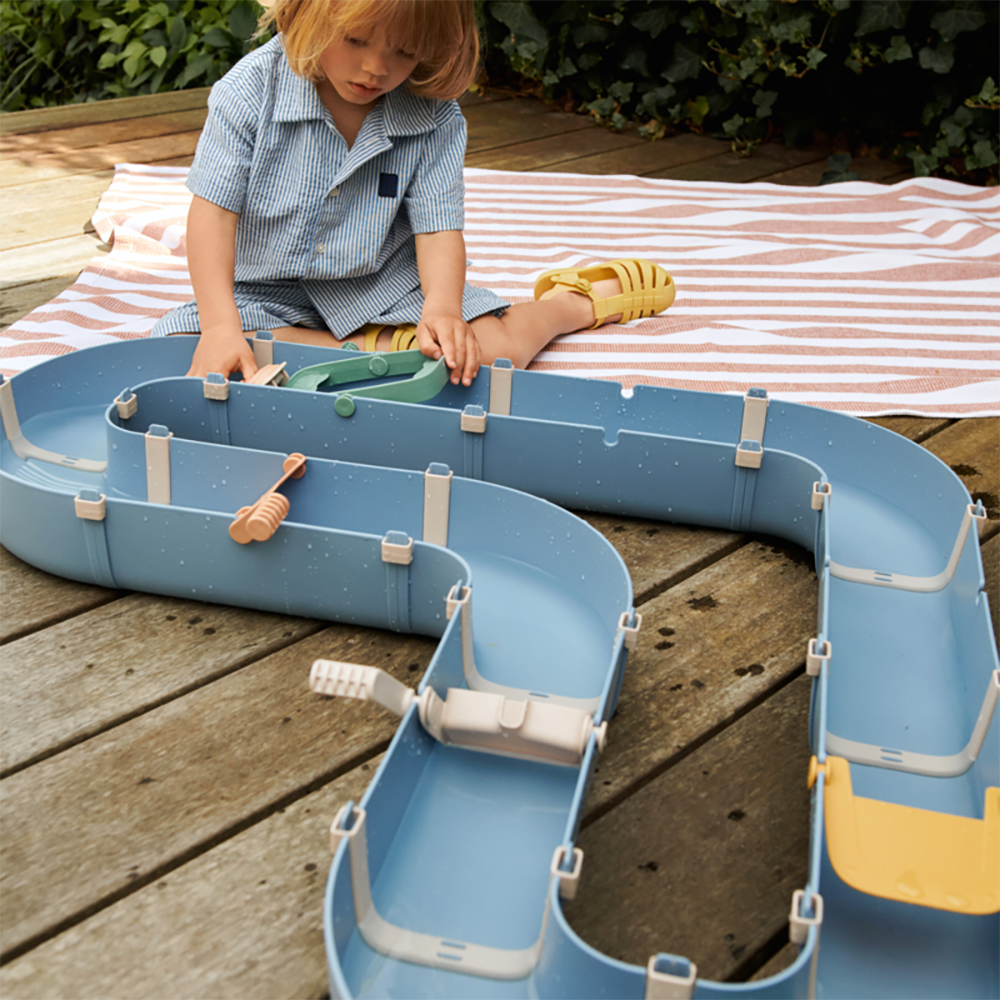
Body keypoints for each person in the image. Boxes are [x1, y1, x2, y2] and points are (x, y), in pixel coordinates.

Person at [152, 0, 675, 386]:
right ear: (305, 11)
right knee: (180, 350)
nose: (376, 68)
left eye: (404, 52)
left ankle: (566, 305)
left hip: (384, 284)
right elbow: (213, 216)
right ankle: (369, 349)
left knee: (492, 353)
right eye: (355, 40)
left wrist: (442, 309)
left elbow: (438, 229)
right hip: (264, 292)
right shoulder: (248, 92)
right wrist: (220, 325)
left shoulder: (434, 118)